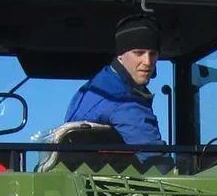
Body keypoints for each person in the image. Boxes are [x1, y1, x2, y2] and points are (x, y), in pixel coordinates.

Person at [62, 14, 164, 153]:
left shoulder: (94, 87)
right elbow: (156, 161)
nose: (147, 61)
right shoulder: (122, 100)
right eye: (138, 53)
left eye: (153, 53)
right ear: (120, 56)